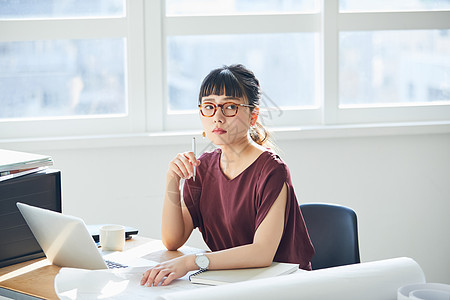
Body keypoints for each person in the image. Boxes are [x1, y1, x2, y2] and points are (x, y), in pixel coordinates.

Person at [141, 64, 314, 287]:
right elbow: (172, 240)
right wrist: (172, 180)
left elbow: (261, 253)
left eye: (230, 107)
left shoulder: (271, 169)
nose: (218, 117)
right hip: (232, 283)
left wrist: (193, 262)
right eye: (209, 107)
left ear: (253, 116)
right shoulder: (201, 168)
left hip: (283, 286)